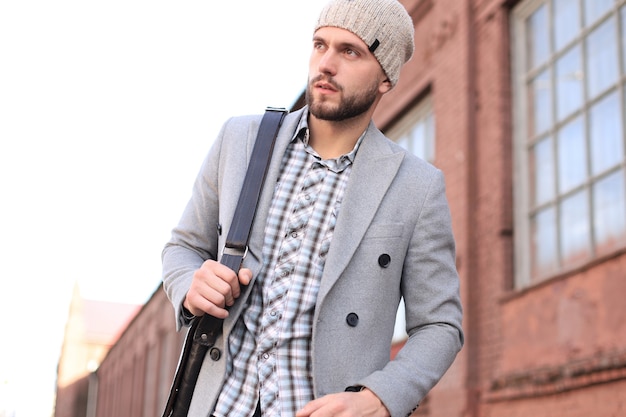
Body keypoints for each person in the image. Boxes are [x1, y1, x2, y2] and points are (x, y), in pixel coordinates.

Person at [162, 0, 464, 416]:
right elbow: (182, 247)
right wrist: (190, 285)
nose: (326, 64)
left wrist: (379, 398)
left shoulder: (416, 187)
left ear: (385, 78)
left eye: (350, 51)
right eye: (320, 45)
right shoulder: (242, 140)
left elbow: (440, 325)